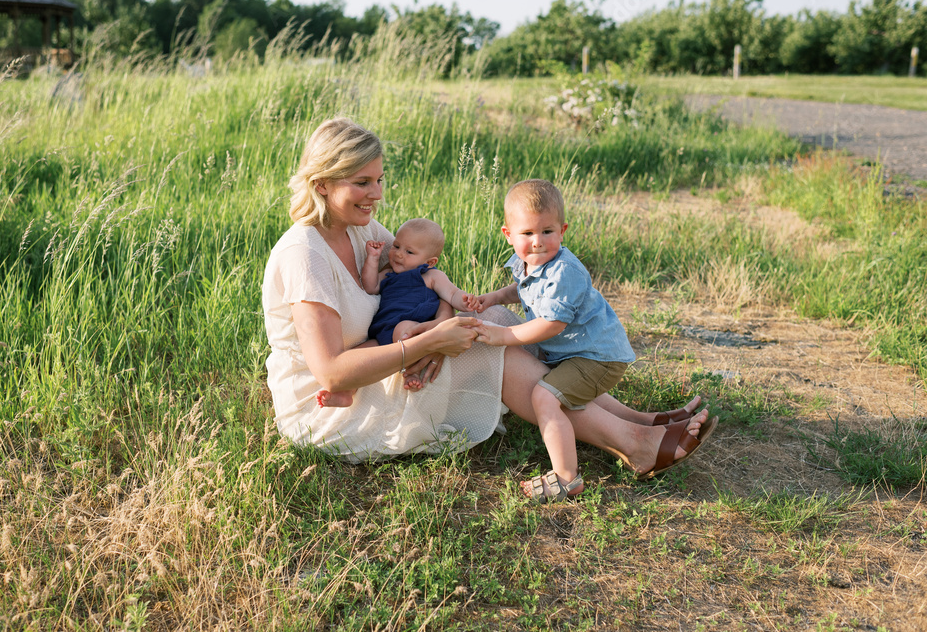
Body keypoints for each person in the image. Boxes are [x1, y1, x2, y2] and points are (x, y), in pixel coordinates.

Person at [261, 117, 715, 494]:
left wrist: (439, 331)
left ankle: (636, 421)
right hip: (333, 406)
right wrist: (428, 344)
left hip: (390, 357)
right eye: (362, 182)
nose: (377, 194)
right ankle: (635, 443)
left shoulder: (361, 228)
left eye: (379, 179)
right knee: (487, 342)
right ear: (321, 184)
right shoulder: (305, 255)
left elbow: (420, 282)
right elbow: (332, 374)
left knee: (490, 318)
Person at [473, 179, 716, 501]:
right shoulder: (528, 263)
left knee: (545, 398)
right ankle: (648, 424)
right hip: (578, 354)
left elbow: (552, 324)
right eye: (527, 233)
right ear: (508, 234)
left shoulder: (564, 272)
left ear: (563, 230)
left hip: (596, 358)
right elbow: (523, 289)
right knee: (559, 387)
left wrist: (503, 335)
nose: (538, 242)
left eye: (547, 231)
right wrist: (494, 297)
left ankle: (566, 477)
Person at [315, 217, 482, 407]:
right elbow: (370, 286)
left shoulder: (430, 275)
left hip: (412, 325)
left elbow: (451, 294)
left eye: (409, 252)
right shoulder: (389, 274)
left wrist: (465, 301)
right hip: (383, 330)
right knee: (357, 355)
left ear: (429, 262)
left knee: (404, 331)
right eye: (396, 246)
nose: (399, 254)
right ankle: (347, 390)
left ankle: (411, 372)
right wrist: (373, 258)